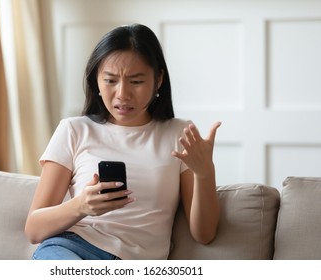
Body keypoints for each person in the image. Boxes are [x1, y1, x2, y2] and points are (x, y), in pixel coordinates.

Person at [25, 23, 221, 260]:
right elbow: (34, 230)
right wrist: (80, 206)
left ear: (158, 80)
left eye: (136, 82)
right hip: (71, 249)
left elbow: (204, 234)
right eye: (110, 81)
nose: (122, 94)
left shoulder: (179, 133)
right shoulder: (73, 130)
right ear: (96, 80)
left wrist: (205, 173)